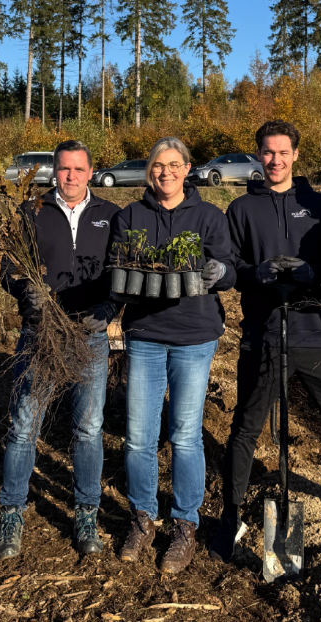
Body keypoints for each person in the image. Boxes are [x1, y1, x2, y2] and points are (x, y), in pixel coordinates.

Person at [217, 121, 321, 569]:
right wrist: (255, 274)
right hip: (263, 335)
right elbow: (230, 266)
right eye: (268, 152)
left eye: (283, 152)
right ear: (258, 154)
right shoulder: (241, 209)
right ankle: (230, 517)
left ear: (295, 155)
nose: (275, 160)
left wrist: (316, 274)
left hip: (317, 336)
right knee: (245, 427)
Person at [109, 136, 238, 574]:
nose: (165, 172)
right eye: (157, 165)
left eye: (173, 165)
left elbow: (229, 270)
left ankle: (185, 524)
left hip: (195, 336)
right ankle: (142, 518)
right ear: (150, 171)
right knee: (139, 436)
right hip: (144, 335)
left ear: (187, 168)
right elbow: (116, 269)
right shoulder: (130, 216)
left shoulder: (209, 216)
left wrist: (221, 271)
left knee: (185, 435)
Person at [0, 140, 119, 559]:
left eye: (79, 169)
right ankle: (12, 512)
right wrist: (24, 293)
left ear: (91, 171)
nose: (71, 176)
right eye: (64, 168)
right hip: (40, 334)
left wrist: (110, 308)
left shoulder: (110, 215)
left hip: (89, 336)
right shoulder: (32, 211)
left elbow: (120, 272)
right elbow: (9, 270)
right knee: (24, 426)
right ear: (54, 170)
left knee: (88, 429)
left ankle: (86, 513)